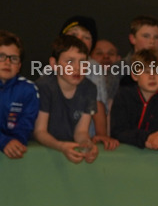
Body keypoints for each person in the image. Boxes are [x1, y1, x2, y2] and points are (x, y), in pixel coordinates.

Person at [33, 35, 98, 163]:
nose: (77, 68)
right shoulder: (44, 87)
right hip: (38, 152)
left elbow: (81, 131)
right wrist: (60, 146)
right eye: (69, 62)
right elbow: (39, 132)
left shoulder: (89, 88)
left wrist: (87, 145)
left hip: (67, 148)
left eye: (83, 62)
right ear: (54, 64)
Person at [59, 16, 117, 148]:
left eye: (86, 37)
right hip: (58, 135)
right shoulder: (51, 66)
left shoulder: (93, 66)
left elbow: (97, 103)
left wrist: (101, 134)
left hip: (86, 137)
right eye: (74, 34)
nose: (79, 39)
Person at [110, 49, 158, 150]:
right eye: (146, 71)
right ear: (134, 75)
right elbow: (118, 131)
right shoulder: (123, 96)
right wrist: (147, 138)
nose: (152, 76)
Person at [0, 31, 39, 160]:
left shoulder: (28, 90)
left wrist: (17, 142)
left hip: (14, 150)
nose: (7, 62)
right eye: (1, 56)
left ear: (19, 66)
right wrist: (4, 141)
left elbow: (26, 124)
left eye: (14, 58)